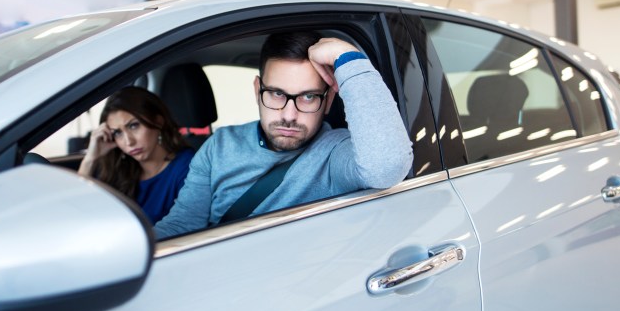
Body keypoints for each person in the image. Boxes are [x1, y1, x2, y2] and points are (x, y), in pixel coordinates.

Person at [153, 31, 413, 240]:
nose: (289, 115)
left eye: (308, 96)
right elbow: (182, 224)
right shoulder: (219, 145)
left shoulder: (336, 152)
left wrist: (346, 56)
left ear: (329, 99)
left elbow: (387, 166)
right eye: (277, 94)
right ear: (258, 91)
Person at [78, 86, 194, 225]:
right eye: (117, 133)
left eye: (134, 126)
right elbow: (76, 212)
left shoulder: (188, 167)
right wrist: (90, 159)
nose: (128, 141)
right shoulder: (120, 170)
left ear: (158, 122)